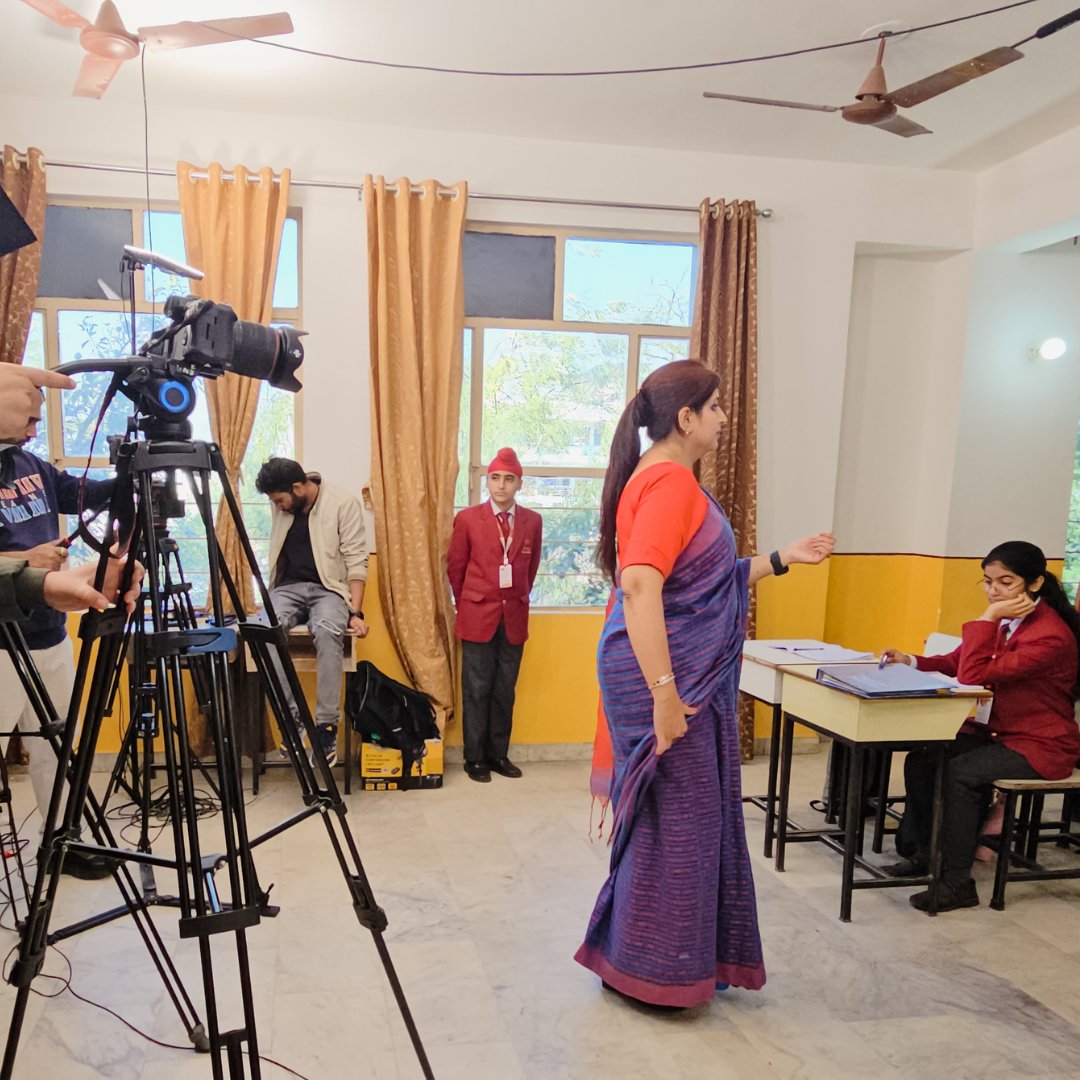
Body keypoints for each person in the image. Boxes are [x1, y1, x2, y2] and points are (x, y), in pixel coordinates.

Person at [574, 360, 834, 1008]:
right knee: (681, 825)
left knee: (680, 820)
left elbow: (704, 580)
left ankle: (656, 959)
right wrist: (664, 693)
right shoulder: (667, 483)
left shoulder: (672, 481)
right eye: (715, 408)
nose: (722, 418)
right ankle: (651, 970)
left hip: (674, 673)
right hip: (666, 678)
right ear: (685, 418)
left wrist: (780, 560)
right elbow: (640, 586)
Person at [881, 540, 1080, 912]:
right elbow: (959, 660)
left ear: (1034, 583)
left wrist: (987, 617)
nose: (993, 591)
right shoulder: (1013, 620)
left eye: (1005, 582)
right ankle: (929, 857)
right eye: (988, 581)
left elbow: (973, 675)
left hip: (1040, 745)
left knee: (961, 773)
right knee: (923, 757)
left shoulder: (1049, 635)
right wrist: (910, 660)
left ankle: (958, 883)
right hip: (1001, 735)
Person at [0, 409, 115, 878]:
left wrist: (133, 470)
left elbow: (81, 493)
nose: (35, 426)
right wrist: (25, 558)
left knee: (58, 746)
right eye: (27, 415)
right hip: (2, 642)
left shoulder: (31, 465)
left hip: (49, 633)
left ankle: (63, 841)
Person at [256, 457, 369, 767]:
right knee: (265, 633)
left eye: (280, 500)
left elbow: (357, 562)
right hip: (286, 589)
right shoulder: (284, 503)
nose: (277, 508)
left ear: (297, 487)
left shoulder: (342, 503)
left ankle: (326, 727)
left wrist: (356, 613)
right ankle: (293, 720)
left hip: (329, 589)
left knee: (329, 630)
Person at [447, 447, 542, 783]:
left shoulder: (532, 521)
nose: (501, 485)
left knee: (505, 688)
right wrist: (469, 602)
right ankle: (474, 758)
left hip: (514, 615)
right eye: (496, 478)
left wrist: (514, 598)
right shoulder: (468, 519)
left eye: (509, 479)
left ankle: (498, 754)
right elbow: (456, 568)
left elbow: (531, 569)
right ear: (487, 481)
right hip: (476, 613)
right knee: (476, 686)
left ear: (519, 484)